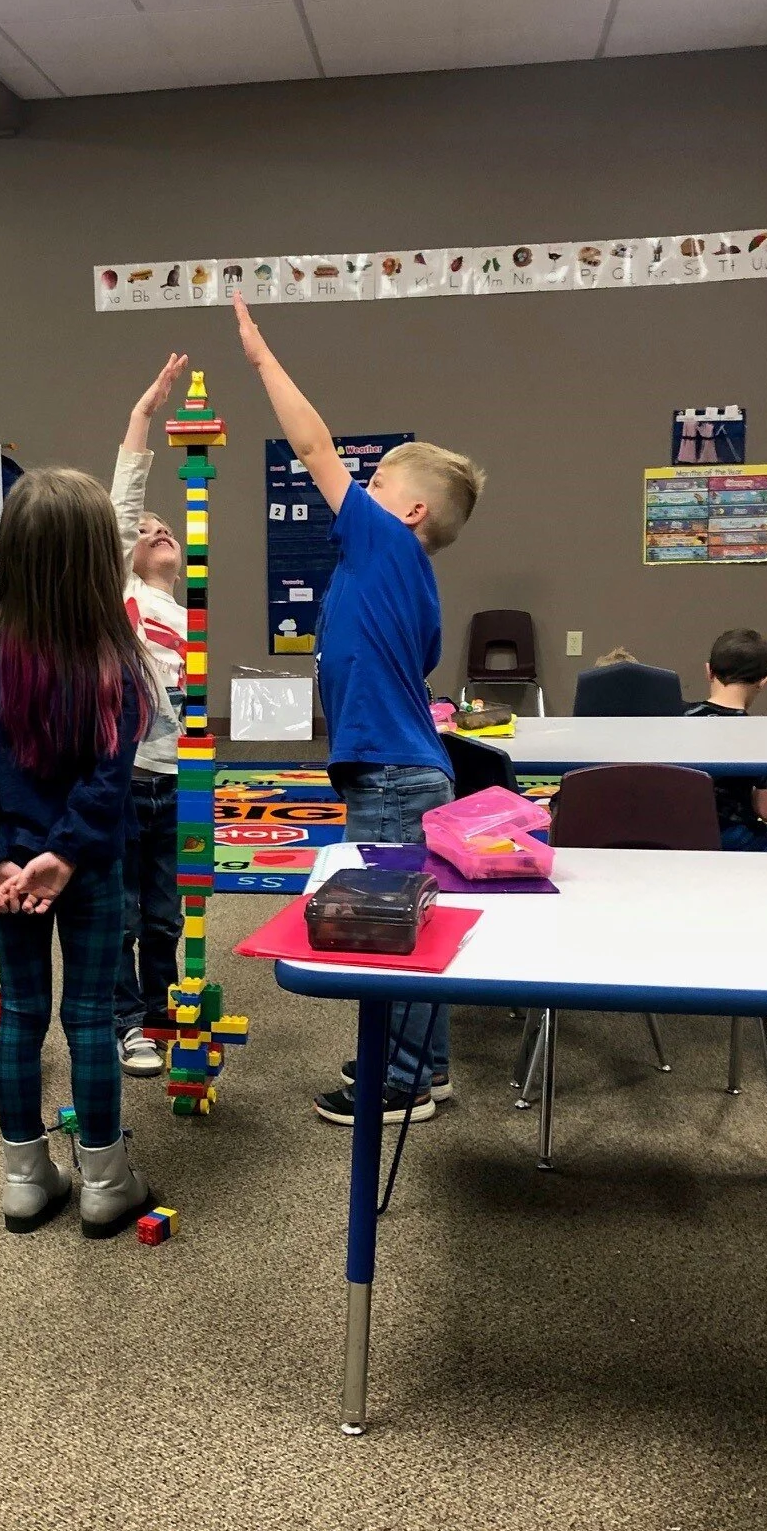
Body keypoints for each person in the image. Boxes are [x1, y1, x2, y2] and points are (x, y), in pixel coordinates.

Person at [233, 293, 485, 1126]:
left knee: (391, 921)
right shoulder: (405, 576)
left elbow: (310, 444)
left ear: (408, 511)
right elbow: (416, 662)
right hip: (401, 767)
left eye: (376, 483)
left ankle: (408, 1079)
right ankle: (422, 1063)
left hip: (393, 775)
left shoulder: (383, 542)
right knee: (404, 913)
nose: (358, 490)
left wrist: (262, 357)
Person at [0, 467, 159, 1238]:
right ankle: (105, 1182)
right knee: (91, 1015)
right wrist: (64, 857)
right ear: (101, 558)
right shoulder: (119, 660)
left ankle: (25, 1181)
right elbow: (108, 783)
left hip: (11, 875)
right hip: (90, 865)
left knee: (21, 1014)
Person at [110, 351, 188, 1078]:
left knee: (168, 912)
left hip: (177, 778)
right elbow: (122, 511)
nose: (155, 530)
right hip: (128, 775)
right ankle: (126, 1021)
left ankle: (165, 1012)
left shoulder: (180, 611)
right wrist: (143, 420)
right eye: (146, 528)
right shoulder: (121, 604)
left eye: (168, 528)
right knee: (127, 910)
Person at [685, 628, 767, 851]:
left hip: (676, 832)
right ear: (763, 682)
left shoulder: (677, 717)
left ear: (709, 671)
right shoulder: (757, 735)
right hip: (731, 836)